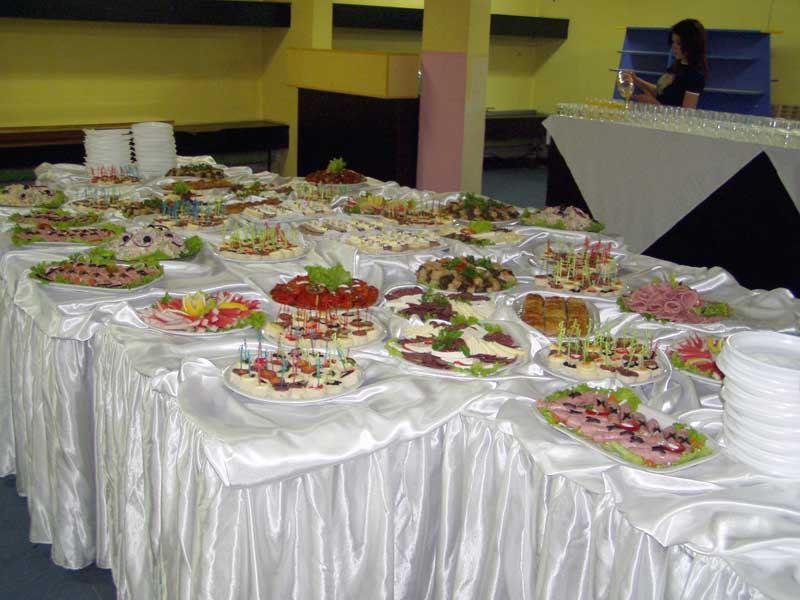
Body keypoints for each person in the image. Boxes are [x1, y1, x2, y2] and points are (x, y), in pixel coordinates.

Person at [626, 19, 708, 109]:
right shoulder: (676, 66)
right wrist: (637, 81)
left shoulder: (695, 75)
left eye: (679, 43)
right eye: (673, 42)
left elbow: (686, 113)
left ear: (692, 44)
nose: (674, 46)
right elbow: (661, 93)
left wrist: (653, 104)